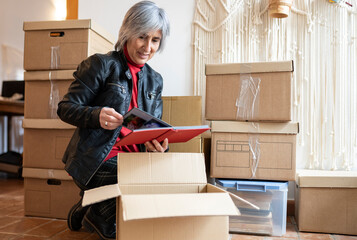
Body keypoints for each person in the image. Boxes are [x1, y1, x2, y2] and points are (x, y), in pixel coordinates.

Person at [57, 1, 170, 239]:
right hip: (97, 159)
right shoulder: (101, 65)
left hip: (134, 161)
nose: (148, 47)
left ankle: (91, 207)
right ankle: (97, 211)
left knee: (168, 178)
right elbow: (65, 108)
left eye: (155, 40)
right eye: (142, 36)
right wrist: (95, 115)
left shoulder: (155, 80)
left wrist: (158, 143)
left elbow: (152, 124)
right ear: (128, 31)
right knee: (117, 228)